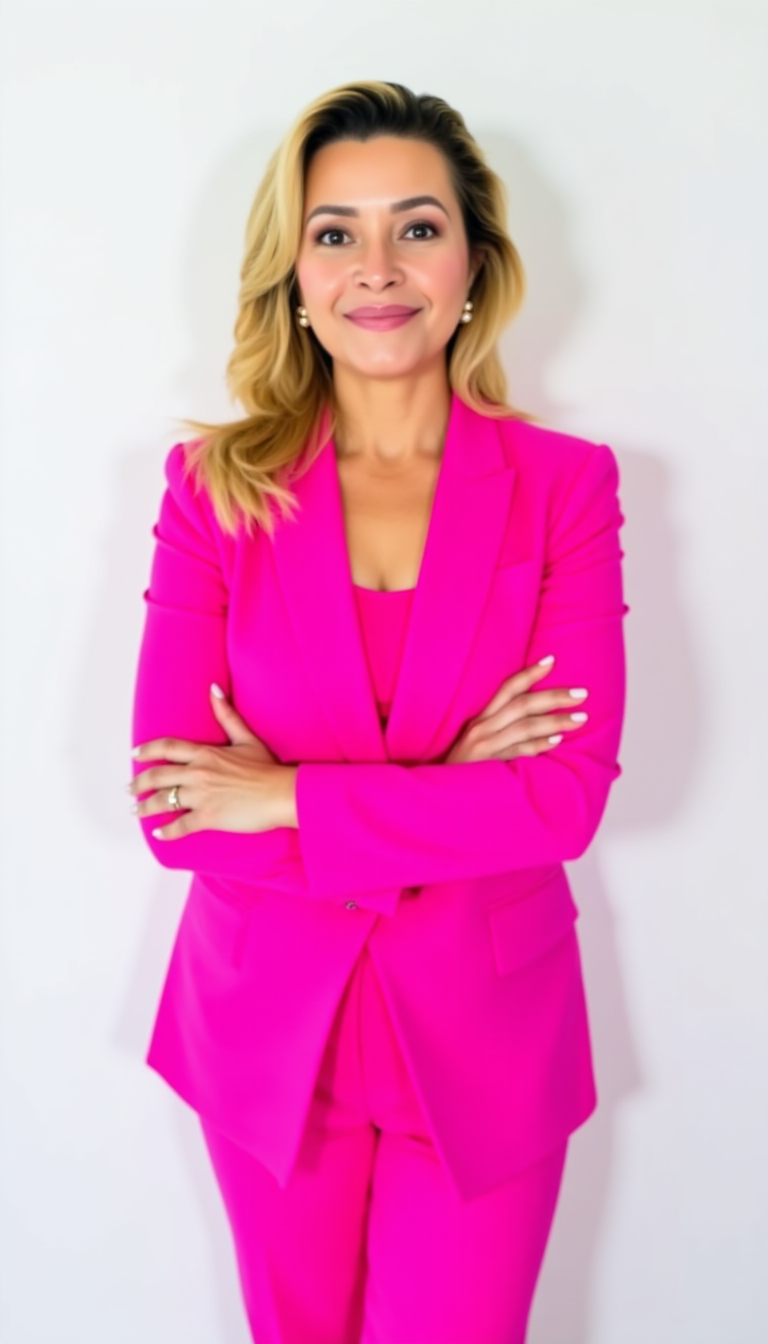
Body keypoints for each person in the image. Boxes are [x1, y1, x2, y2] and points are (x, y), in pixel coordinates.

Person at [129, 79, 627, 1344]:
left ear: (475, 263)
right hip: (268, 1037)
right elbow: (179, 814)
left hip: (486, 1045)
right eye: (335, 232)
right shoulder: (213, 491)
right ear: (294, 274)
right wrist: (455, 783)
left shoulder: (565, 489)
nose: (378, 267)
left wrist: (286, 793)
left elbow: (562, 801)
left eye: (417, 226)